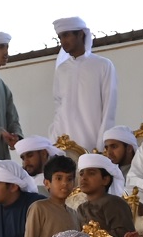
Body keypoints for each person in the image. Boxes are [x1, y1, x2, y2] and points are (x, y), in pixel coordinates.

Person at [48, 16, 117, 152]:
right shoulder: (62, 69)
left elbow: (109, 107)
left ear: (80, 34)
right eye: (60, 37)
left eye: (66, 35)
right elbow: (59, 107)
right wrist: (54, 139)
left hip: (93, 142)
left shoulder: (102, 65)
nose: (63, 41)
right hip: (64, 143)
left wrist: (102, 145)